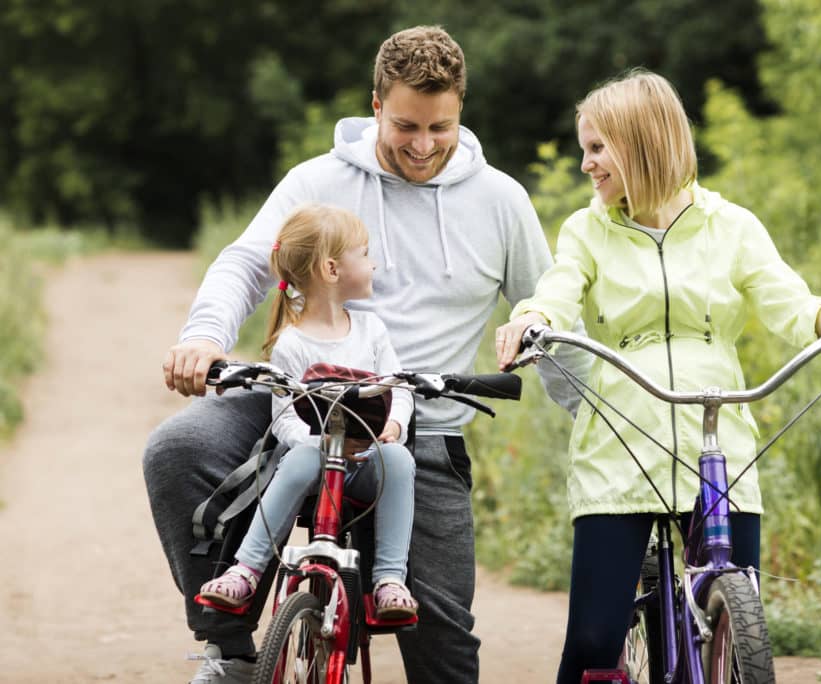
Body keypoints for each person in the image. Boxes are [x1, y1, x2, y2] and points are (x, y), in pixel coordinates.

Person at [143, 25, 588, 684]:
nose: (423, 145)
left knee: (441, 636)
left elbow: (544, 321)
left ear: (461, 112)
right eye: (407, 124)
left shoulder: (501, 203)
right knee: (178, 451)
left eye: (440, 128)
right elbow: (246, 263)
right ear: (376, 104)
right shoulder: (318, 181)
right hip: (298, 402)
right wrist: (204, 336)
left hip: (418, 429)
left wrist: (599, 420)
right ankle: (231, 648)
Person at [494, 69, 821, 684]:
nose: (587, 164)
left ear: (641, 142)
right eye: (584, 149)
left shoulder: (732, 226)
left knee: (737, 622)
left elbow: (792, 306)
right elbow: (558, 290)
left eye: (597, 148)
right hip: (621, 445)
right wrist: (531, 318)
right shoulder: (586, 229)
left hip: (718, 444)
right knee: (593, 638)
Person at [196, 204, 419, 620]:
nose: (374, 264)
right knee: (299, 454)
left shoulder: (372, 330)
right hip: (317, 460)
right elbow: (284, 417)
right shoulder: (293, 343)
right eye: (365, 254)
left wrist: (393, 425)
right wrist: (319, 443)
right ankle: (245, 570)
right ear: (332, 269)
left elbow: (398, 386)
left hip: (368, 458)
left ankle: (389, 580)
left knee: (400, 461)